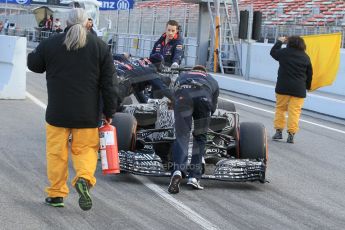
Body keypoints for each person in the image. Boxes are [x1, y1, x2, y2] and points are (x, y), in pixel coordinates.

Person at [27, 8, 119, 211]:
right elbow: (110, 84)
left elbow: (33, 65)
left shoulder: (51, 43)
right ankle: (84, 179)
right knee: (85, 150)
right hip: (87, 114)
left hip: (57, 112)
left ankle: (56, 195)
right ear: (88, 22)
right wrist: (110, 112)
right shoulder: (100, 46)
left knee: (56, 153)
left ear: (66, 22)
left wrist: (42, 49)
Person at [168, 65, 219, 194]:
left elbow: (173, 99)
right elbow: (212, 108)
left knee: (182, 136)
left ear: (192, 71)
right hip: (203, 99)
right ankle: (194, 177)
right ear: (204, 72)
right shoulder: (212, 79)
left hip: (183, 98)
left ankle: (177, 171)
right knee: (200, 137)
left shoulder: (182, 76)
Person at [270, 36, 313, 143]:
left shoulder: (284, 53)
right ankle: (291, 134)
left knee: (280, 109)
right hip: (299, 89)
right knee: (295, 112)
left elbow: (273, 52)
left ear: (289, 43)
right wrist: (307, 86)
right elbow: (309, 74)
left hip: (283, 87)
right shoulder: (306, 57)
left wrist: (279, 41)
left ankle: (278, 132)